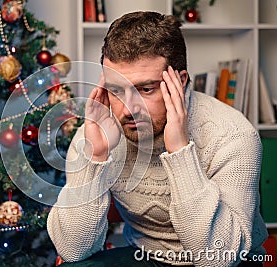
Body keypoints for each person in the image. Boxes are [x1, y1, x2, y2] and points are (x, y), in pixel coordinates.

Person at [47, 11, 268, 266]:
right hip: (145, 256)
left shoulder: (233, 135)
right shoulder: (100, 131)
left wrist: (180, 152)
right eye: (116, 89)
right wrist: (95, 157)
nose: (128, 108)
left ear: (180, 82)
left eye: (146, 89)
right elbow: (73, 250)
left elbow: (218, 257)